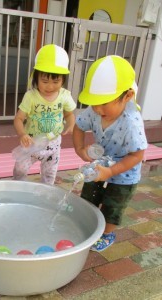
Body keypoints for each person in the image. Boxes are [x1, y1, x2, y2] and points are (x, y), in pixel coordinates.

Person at [73, 55, 148, 252]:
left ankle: (107, 233)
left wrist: (112, 171)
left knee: (113, 206)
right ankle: (87, 225)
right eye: (94, 102)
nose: (97, 109)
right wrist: (80, 149)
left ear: (128, 96)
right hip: (99, 165)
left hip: (125, 173)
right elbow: (79, 127)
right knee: (89, 197)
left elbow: (137, 155)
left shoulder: (131, 123)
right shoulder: (95, 110)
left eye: (104, 103)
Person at [13, 44, 76, 185]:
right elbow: (19, 118)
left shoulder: (65, 96)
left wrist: (71, 124)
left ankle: (46, 195)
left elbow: (69, 114)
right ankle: (17, 189)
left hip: (53, 144)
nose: (50, 86)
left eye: (56, 81)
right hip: (31, 142)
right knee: (20, 170)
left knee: (49, 174)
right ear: (36, 78)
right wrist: (22, 134)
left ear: (63, 80)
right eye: (45, 81)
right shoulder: (31, 96)